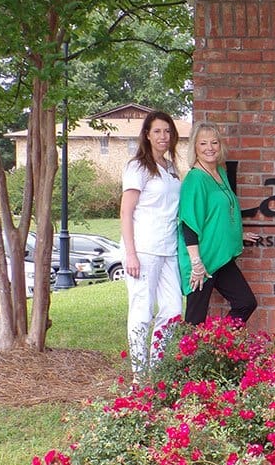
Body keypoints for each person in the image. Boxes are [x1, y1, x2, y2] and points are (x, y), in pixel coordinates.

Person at [120, 111, 183, 378]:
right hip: (143, 248)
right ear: (147, 134)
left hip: (168, 248)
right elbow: (125, 212)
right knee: (142, 311)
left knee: (173, 309)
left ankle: (156, 367)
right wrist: (131, 254)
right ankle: (139, 375)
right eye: (157, 131)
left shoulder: (171, 168)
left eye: (167, 131)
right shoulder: (138, 167)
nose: (163, 137)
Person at [178, 121, 257, 325]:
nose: (209, 148)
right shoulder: (194, 179)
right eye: (203, 143)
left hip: (220, 257)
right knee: (194, 321)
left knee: (245, 302)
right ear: (195, 147)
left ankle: (218, 347)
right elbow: (189, 223)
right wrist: (196, 263)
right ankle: (192, 356)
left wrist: (235, 234)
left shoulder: (220, 173)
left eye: (214, 142)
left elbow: (220, 213)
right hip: (202, 261)